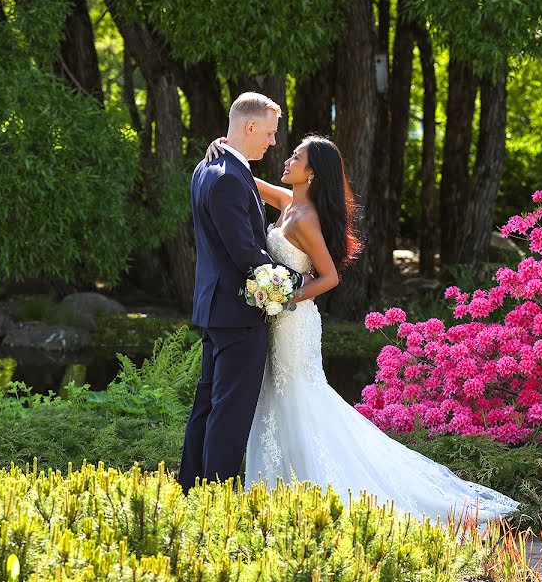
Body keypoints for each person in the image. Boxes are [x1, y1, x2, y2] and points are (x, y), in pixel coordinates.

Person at [205, 134, 519, 524]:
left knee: (298, 398)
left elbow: (330, 277)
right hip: (275, 319)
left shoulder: (305, 219)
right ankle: (281, 496)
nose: (286, 160)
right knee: (275, 398)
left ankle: (318, 493)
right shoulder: (288, 203)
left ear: (312, 173)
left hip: (293, 322)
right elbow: (244, 179)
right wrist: (225, 145)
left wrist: (287, 297)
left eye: (296, 157)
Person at [178, 92, 310, 495]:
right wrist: (299, 281)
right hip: (238, 310)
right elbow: (246, 254)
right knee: (230, 411)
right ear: (249, 127)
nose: (273, 142)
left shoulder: (209, 168)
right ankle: (215, 495)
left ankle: (191, 488)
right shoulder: (228, 179)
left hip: (216, 308)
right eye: (269, 133)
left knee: (208, 404)